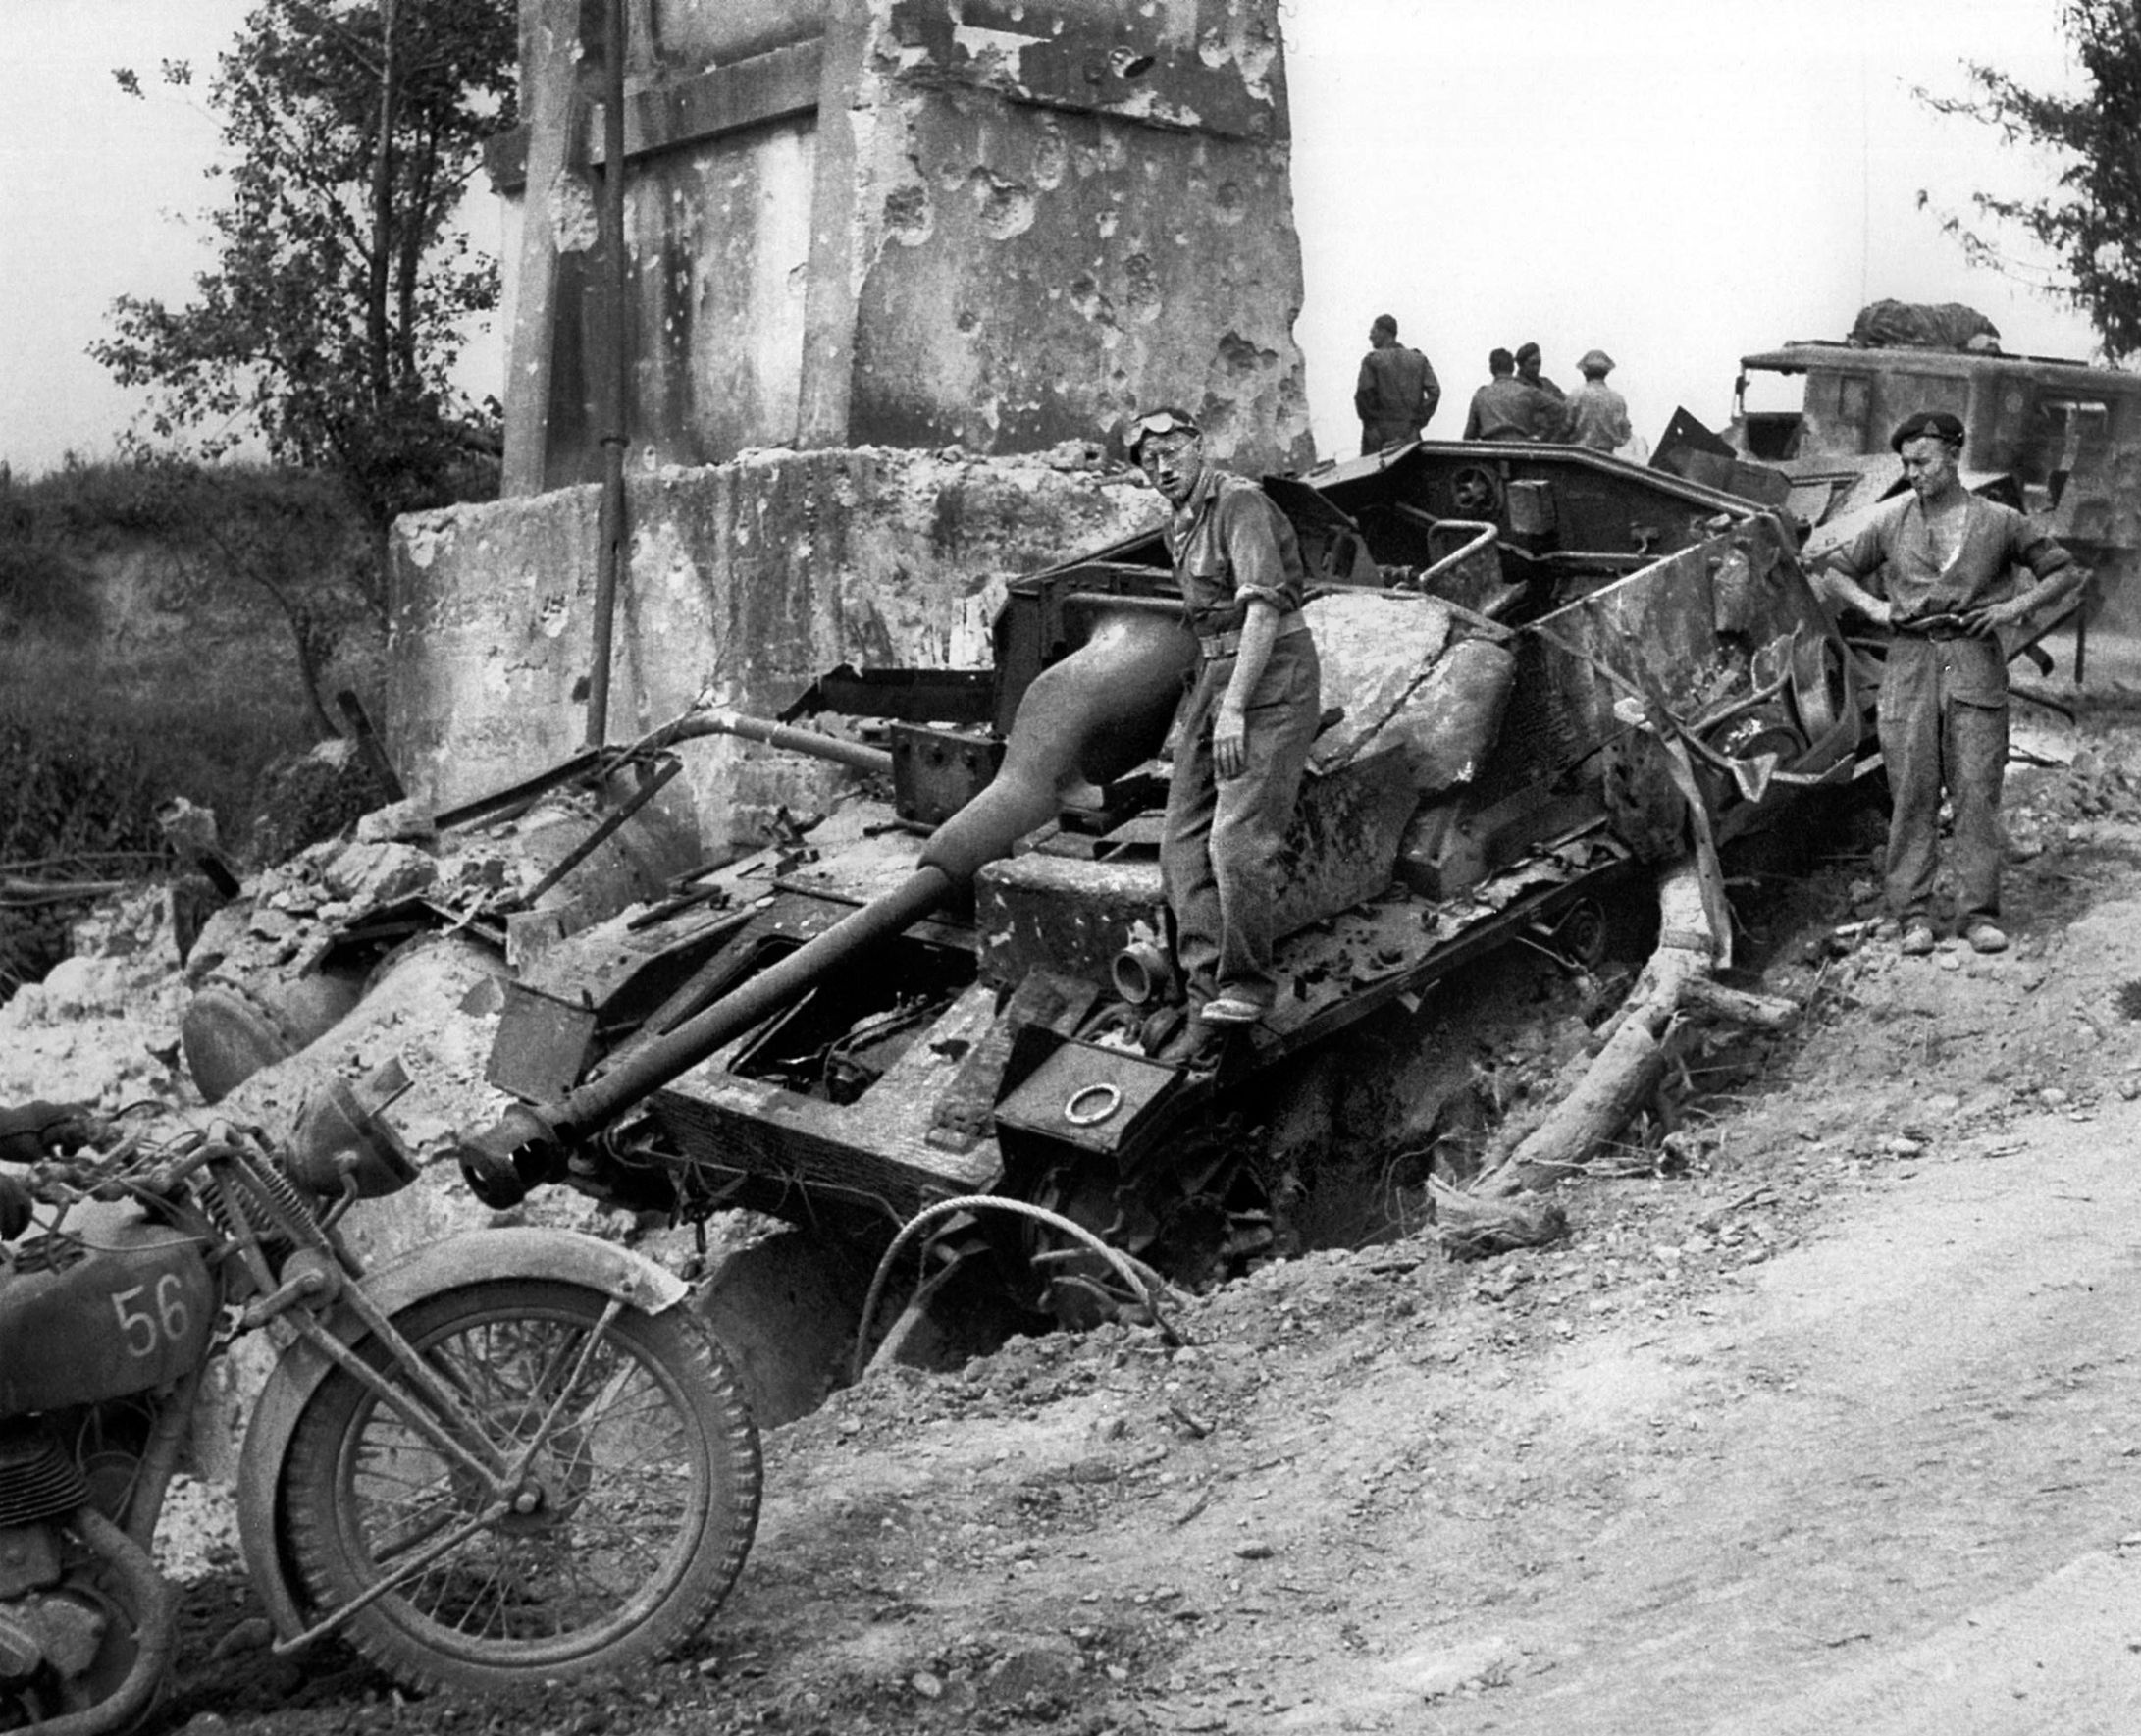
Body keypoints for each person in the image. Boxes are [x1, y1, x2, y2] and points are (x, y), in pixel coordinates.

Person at [1820, 410, 2084, 957]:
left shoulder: (2001, 522)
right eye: (1906, 464)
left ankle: (1977, 914)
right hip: (1911, 662)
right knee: (1912, 793)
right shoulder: (1891, 522)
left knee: (1976, 792)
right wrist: (1874, 606)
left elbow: (2062, 572)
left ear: (1953, 455)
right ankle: (1912, 915)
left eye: (1922, 462)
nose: (1913, 473)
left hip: (1974, 663)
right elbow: (1835, 571)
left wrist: (2013, 607)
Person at [1126, 406, 1322, 1028]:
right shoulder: (1178, 526)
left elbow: (1262, 612)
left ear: (1199, 446)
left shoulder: (1239, 504)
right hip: (1218, 678)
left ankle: (1249, 984)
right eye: (1148, 460)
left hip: (1273, 678)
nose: (1161, 467)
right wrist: (1207, 706)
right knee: (1180, 842)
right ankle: (1205, 988)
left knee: (1234, 841)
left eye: (1172, 452)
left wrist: (1234, 707)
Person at [1353, 314, 1441, 453]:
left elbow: (1364, 395)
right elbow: (1434, 392)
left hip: (1379, 437)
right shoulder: (1419, 359)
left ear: (1384, 332)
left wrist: (1372, 426)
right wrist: (1418, 421)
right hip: (1410, 435)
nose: (1370, 337)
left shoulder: (1372, 361)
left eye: (1373, 331)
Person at [1462, 348, 1551, 442]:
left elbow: (1469, 435)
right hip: (1520, 450)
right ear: (1512, 368)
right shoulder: (1527, 392)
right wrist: (1542, 437)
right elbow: (1560, 410)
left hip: (1491, 449)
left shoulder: (1481, 395)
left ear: (1492, 369)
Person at [1562, 348, 1633, 451]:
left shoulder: (1575, 395)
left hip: (1578, 456)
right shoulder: (1618, 400)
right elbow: (1625, 434)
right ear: (1606, 372)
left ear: (1584, 372)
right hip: (1605, 459)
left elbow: (1565, 427)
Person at [1514, 342, 1566, 436]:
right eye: (1532, 364)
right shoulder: (1515, 387)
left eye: (1538, 363)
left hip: (1552, 437)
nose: (1536, 368)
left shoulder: (1547, 384)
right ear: (1522, 365)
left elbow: (1564, 403)